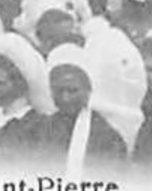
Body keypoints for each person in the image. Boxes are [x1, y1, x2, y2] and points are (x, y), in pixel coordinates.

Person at [45, 43, 128, 174]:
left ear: (88, 90)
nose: (65, 98)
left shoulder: (106, 137)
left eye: (72, 91)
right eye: (59, 90)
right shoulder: (36, 128)